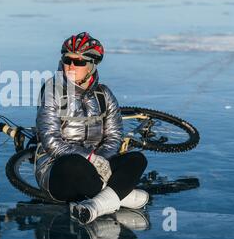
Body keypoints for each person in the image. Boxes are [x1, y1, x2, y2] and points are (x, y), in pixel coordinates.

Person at [35, 32, 149, 225]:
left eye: (78, 62)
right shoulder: (52, 90)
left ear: (91, 65)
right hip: (58, 170)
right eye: (67, 59)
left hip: (97, 169)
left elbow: (114, 136)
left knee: (137, 159)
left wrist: (101, 160)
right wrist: (90, 158)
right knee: (75, 164)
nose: (71, 66)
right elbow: (51, 141)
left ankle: (94, 206)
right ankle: (123, 196)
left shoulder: (103, 94)